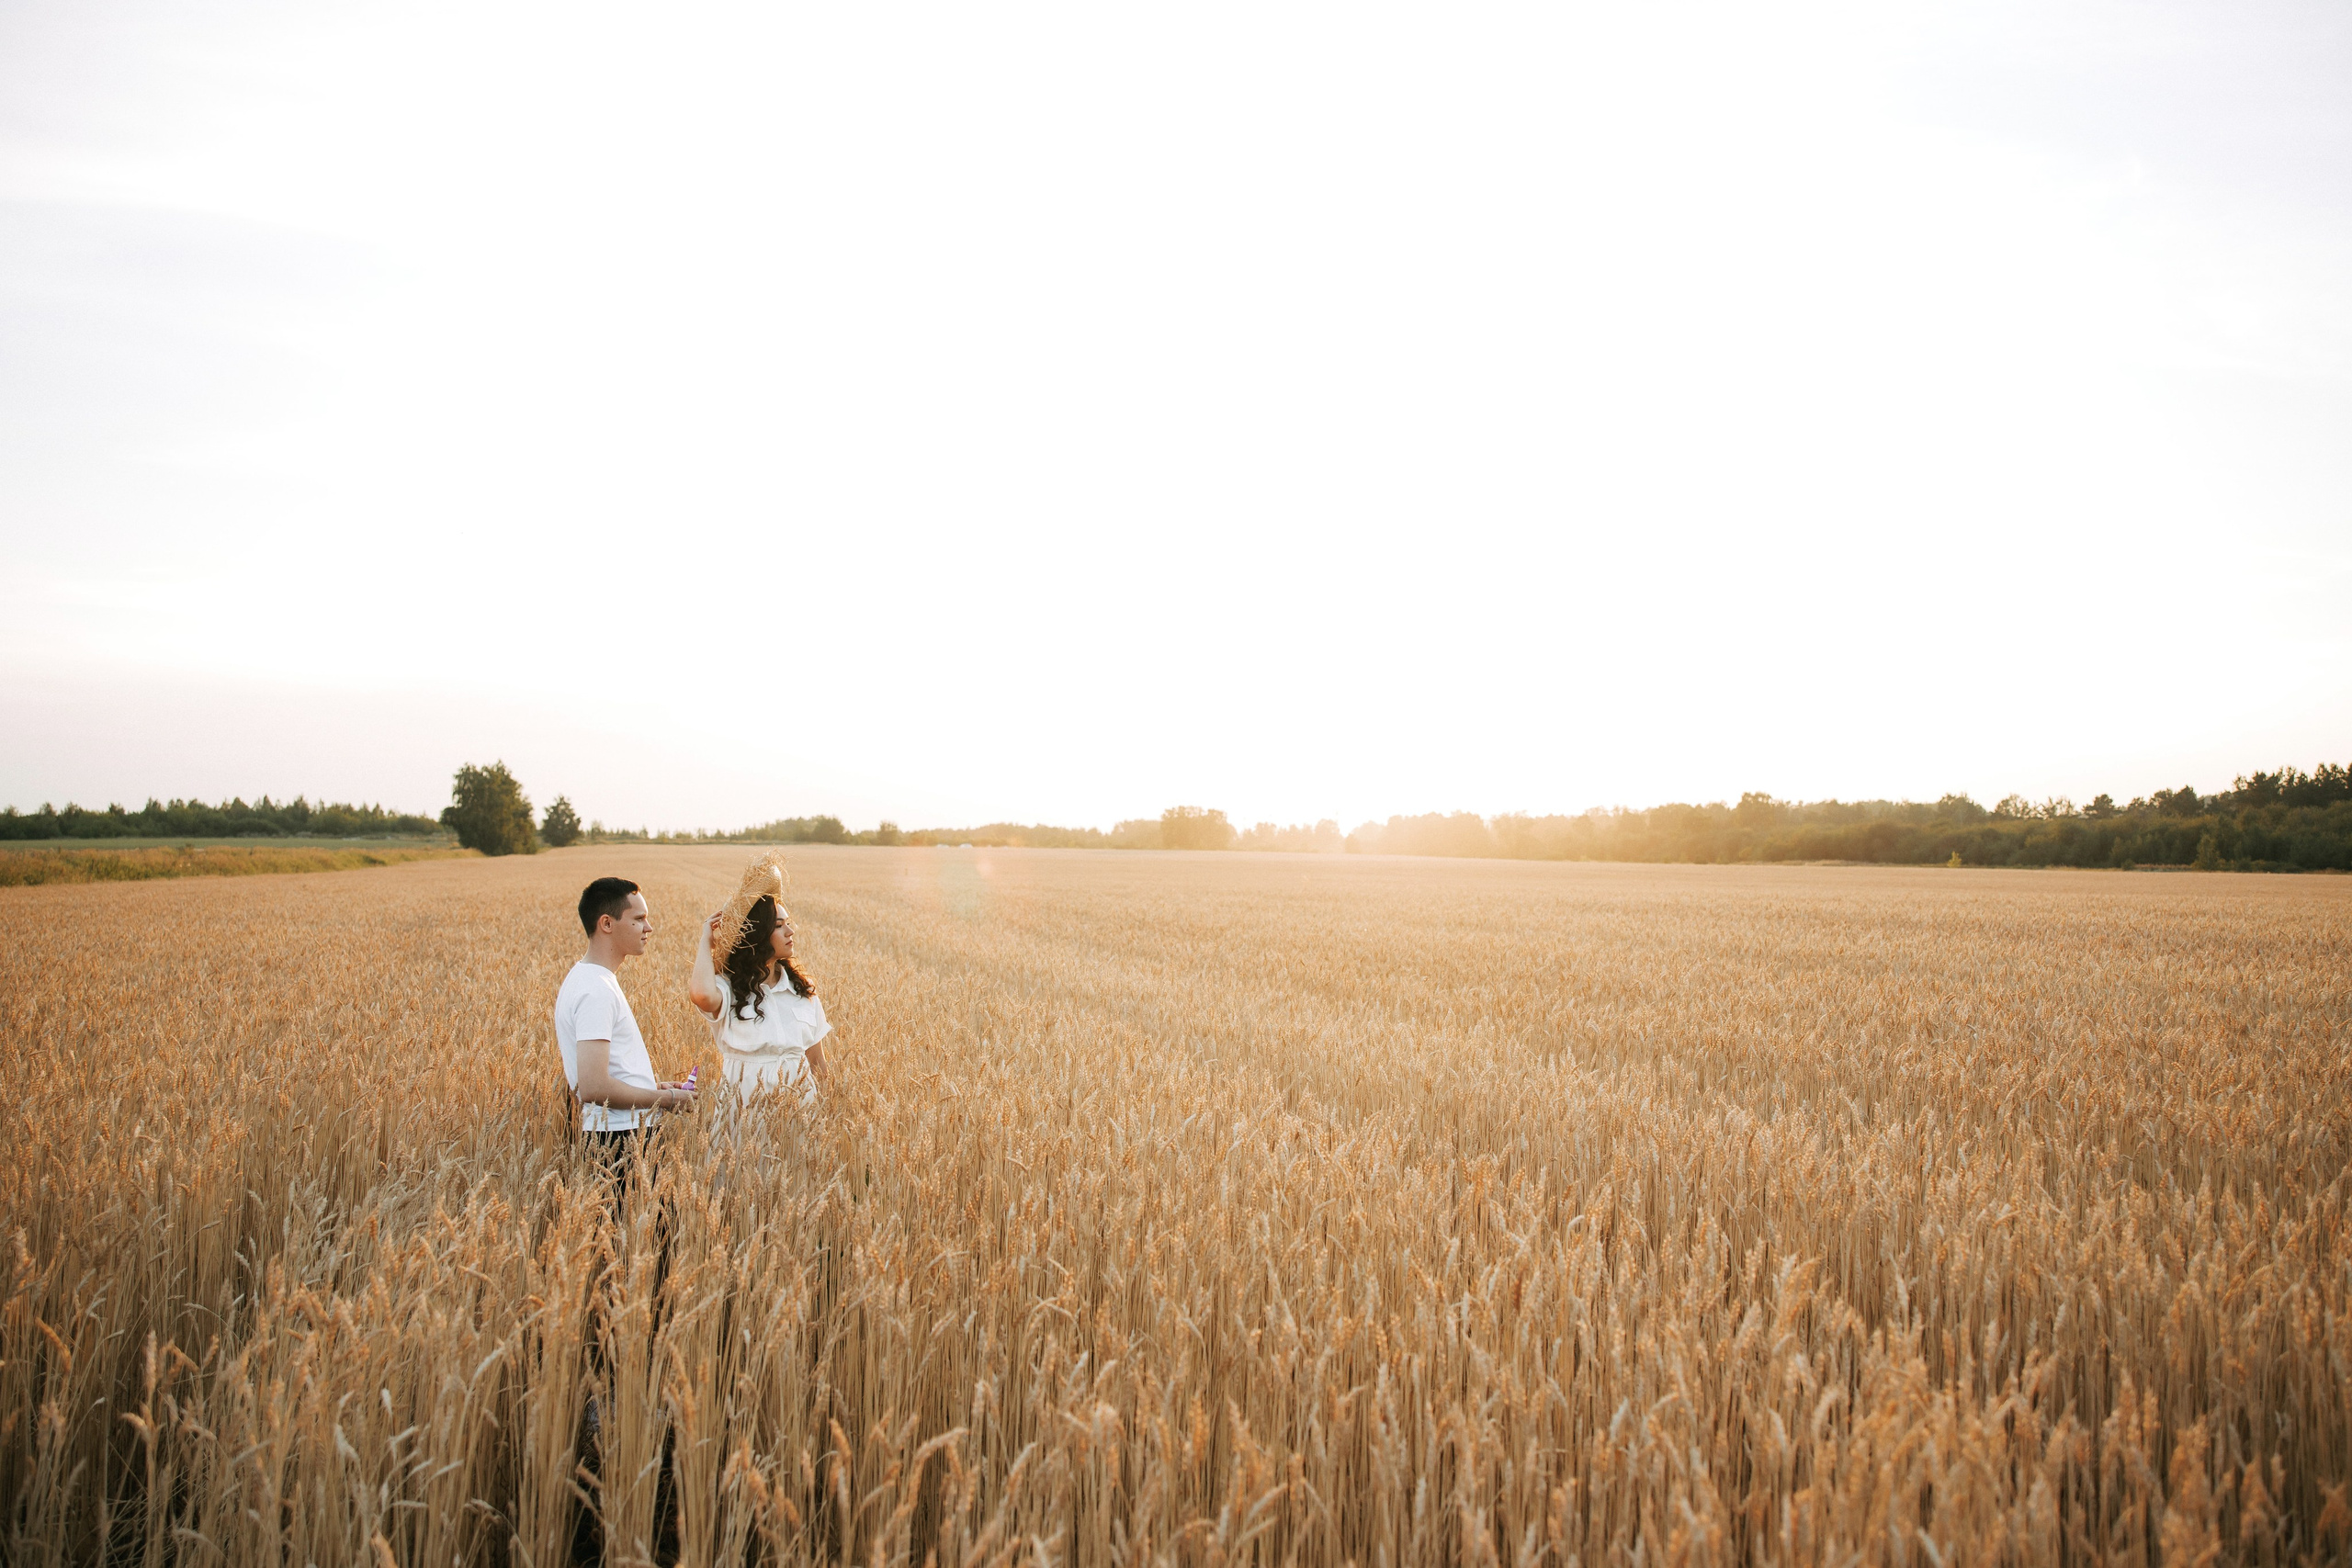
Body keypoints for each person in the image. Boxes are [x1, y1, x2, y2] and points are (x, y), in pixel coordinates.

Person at [556, 876, 696, 1165]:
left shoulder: (588, 979)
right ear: (607, 924)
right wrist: (667, 1099)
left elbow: (608, 1073)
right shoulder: (596, 989)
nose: (649, 927)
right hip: (619, 1139)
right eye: (639, 919)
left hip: (619, 1132)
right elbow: (594, 1086)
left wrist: (652, 1087)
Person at [687, 886, 831, 1106]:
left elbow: (817, 1062)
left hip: (799, 1114)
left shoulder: (802, 990)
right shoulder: (729, 988)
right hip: (744, 1112)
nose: (790, 931)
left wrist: (827, 1114)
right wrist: (706, 941)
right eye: (778, 926)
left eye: (788, 923)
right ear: (757, 935)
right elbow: (702, 995)